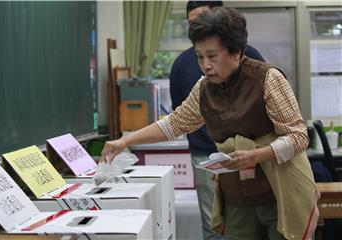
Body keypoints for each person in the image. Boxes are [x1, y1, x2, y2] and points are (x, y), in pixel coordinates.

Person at [101, 6, 319, 240]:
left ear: (235, 52)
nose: (205, 65)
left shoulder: (267, 78)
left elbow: (298, 136)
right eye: (199, 56)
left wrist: (259, 155)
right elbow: (174, 124)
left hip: (279, 191)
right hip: (237, 195)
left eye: (212, 56)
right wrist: (125, 140)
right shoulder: (204, 87)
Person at [169, 1, 264, 239]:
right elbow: (178, 116)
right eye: (191, 22)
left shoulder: (253, 62)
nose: (206, 65)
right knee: (214, 226)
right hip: (205, 155)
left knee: (255, 219)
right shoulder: (183, 65)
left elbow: (284, 126)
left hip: (250, 154)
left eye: (211, 56)